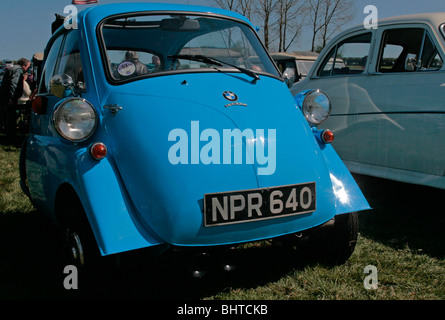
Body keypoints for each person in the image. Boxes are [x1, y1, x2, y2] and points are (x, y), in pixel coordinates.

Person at [0, 58, 31, 137]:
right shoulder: (18, 70)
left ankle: (9, 133)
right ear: (24, 66)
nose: (28, 68)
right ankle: (11, 135)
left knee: (8, 116)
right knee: (11, 116)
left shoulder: (12, 69)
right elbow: (14, 84)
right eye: (27, 66)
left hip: (5, 96)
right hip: (10, 97)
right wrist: (12, 98)